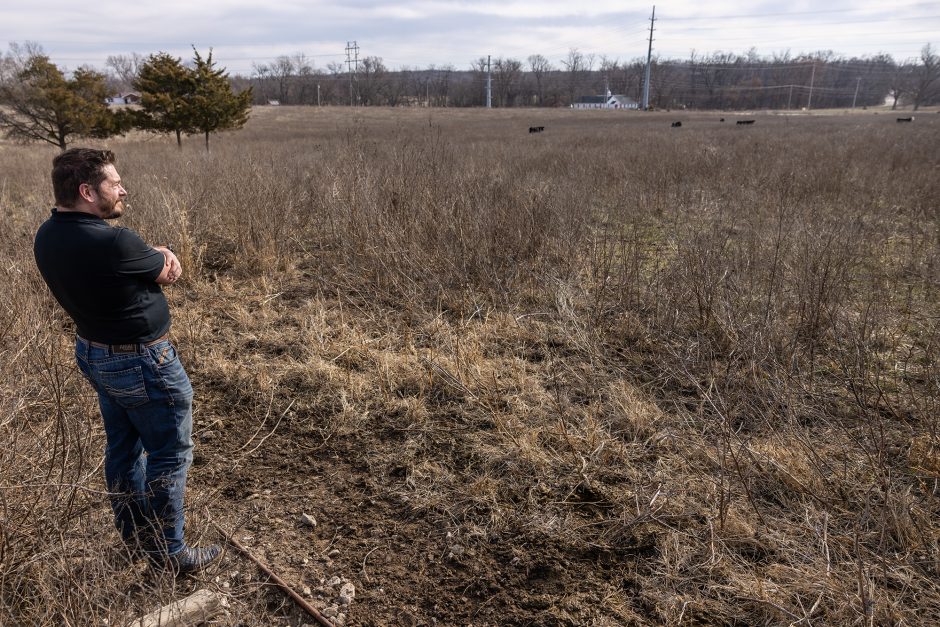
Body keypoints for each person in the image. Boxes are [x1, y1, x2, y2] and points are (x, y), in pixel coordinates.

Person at [33, 148, 220, 574]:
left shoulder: (48, 233)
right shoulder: (117, 241)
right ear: (87, 192)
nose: (123, 190)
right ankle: (170, 553)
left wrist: (146, 252)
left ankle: (135, 537)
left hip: (94, 353)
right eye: (114, 184)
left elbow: (131, 261)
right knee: (170, 453)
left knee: (122, 449)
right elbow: (168, 271)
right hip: (142, 362)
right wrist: (164, 251)